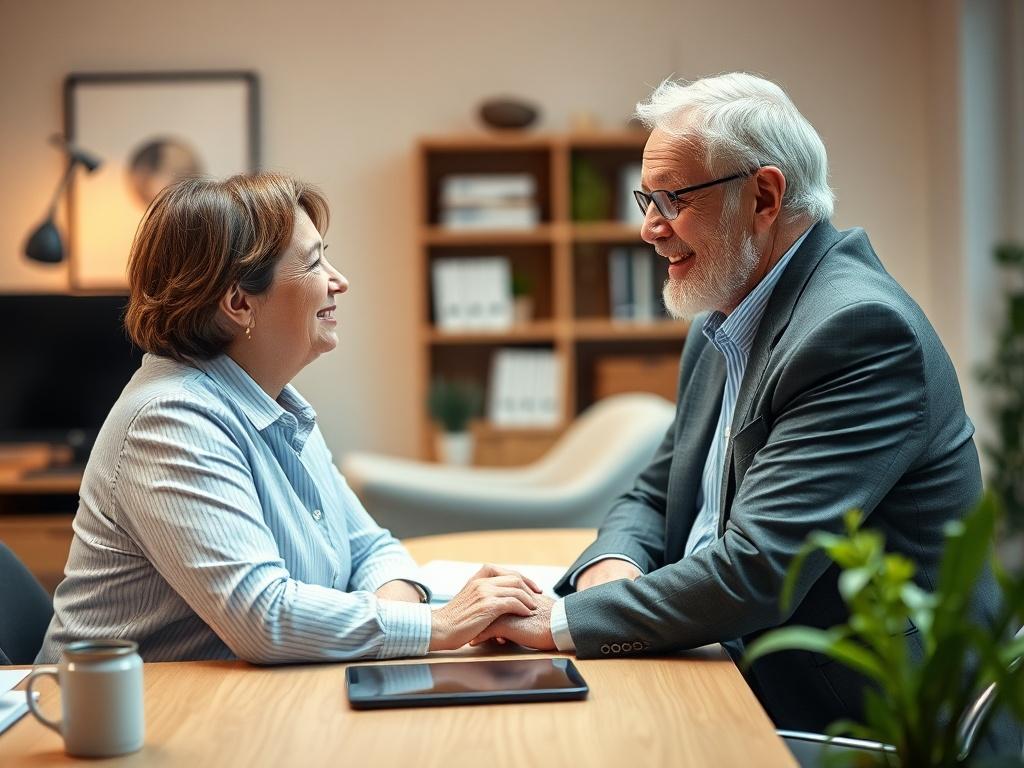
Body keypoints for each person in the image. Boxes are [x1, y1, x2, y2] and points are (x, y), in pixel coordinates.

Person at [472, 72, 1016, 744]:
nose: (649, 227)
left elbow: (757, 569)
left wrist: (561, 624)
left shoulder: (858, 332)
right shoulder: (721, 315)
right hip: (719, 663)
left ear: (763, 196)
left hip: (852, 718)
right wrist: (613, 574)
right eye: (647, 197)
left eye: (673, 198)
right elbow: (653, 492)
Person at [37, 172, 541, 664]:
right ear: (238, 302)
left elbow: (370, 549)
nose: (339, 281)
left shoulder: (276, 401)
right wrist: (439, 625)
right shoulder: (170, 420)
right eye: (315, 263)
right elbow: (266, 619)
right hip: (122, 724)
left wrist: (377, 622)